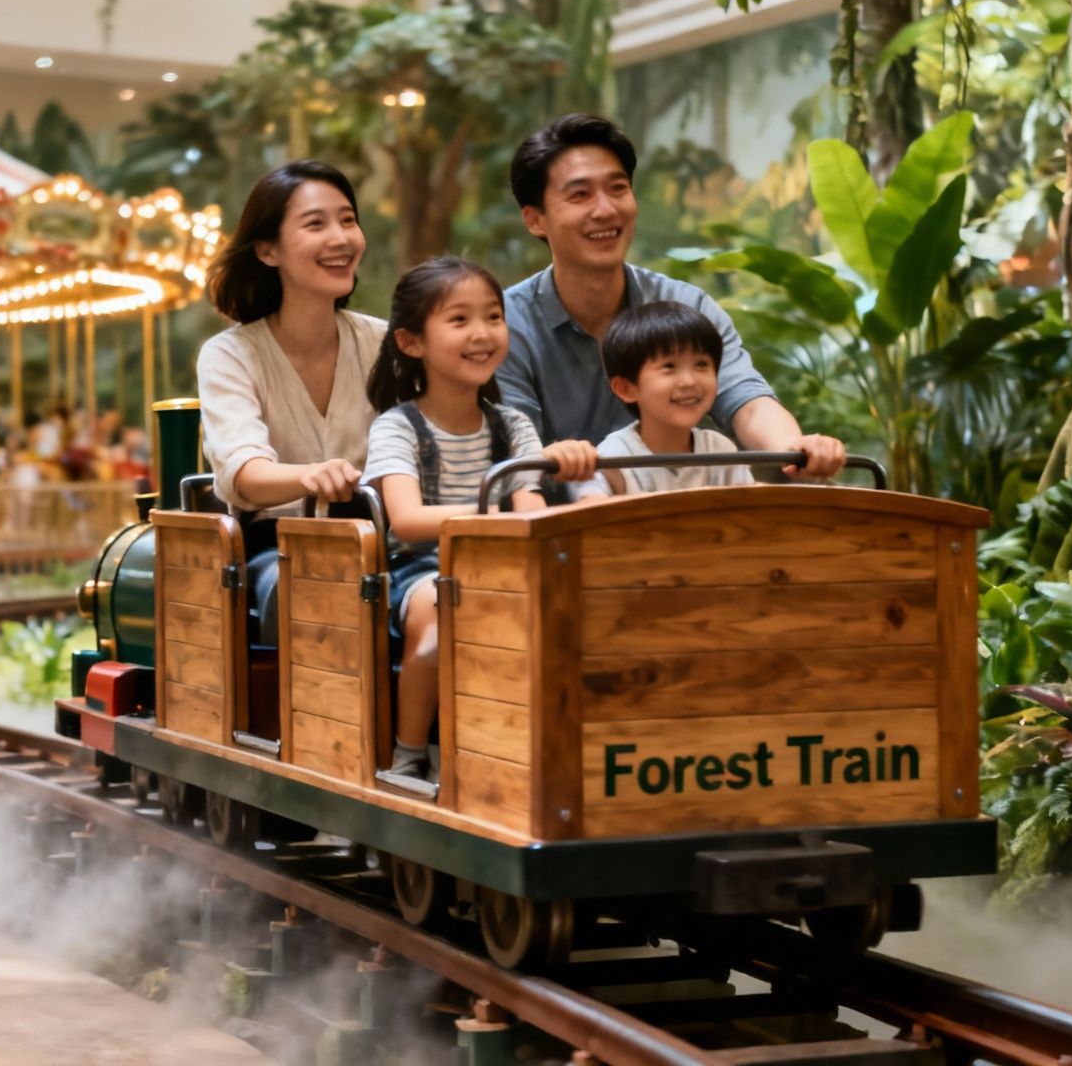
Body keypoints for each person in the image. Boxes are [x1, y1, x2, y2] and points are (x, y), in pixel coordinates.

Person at [495, 113, 846, 486]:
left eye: (618, 188)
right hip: (558, 531)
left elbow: (747, 401)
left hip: (681, 530)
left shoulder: (685, 305)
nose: (606, 209)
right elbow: (518, 452)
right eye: (580, 194)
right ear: (535, 220)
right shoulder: (505, 326)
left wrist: (796, 450)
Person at [360, 257, 566, 787]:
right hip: (422, 569)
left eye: (493, 317)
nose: (482, 334)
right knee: (437, 616)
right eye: (459, 320)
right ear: (411, 342)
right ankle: (408, 753)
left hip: (499, 559)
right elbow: (406, 520)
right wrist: (492, 513)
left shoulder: (513, 425)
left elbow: (531, 508)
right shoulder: (397, 427)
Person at [197, 160, 384, 629]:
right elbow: (245, 473)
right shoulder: (230, 354)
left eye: (347, 220)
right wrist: (312, 476)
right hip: (276, 547)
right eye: (315, 224)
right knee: (314, 593)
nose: (341, 239)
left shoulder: (384, 343)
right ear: (267, 250)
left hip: (383, 537)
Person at [574, 302, 753, 497]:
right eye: (669, 366)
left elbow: (754, 507)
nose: (689, 381)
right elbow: (589, 507)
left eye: (701, 364)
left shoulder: (719, 449)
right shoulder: (614, 456)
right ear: (626, 388)